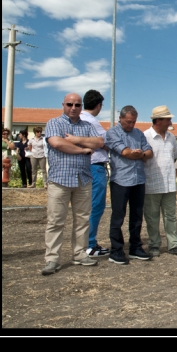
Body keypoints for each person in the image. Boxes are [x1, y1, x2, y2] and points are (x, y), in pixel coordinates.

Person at [41, 93, 105, 275]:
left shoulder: (87, 125)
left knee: (82, 219)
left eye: (77, 105)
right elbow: (57, 143)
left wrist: (76, 139)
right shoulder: (55, 123)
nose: (73, 108)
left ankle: (79, 254)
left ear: (81, 106)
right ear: (63, 105)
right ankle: (52, 258)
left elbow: (100, 142)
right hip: (60, 179)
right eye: (70, 104)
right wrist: (84, 149)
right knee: (55, 221)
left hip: (83, 179)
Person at [105, 105, 154, 265]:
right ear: (120, 119)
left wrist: (141, 154)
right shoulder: (113, 133)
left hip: (138, 179)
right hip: (120, 180)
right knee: (118, 216)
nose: (131, 125)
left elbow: (149, 152)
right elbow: (125, 152)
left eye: (133, 122)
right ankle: (116, 250)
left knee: (137, 216)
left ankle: (135, 247)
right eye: (128, 122)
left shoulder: (139, 133)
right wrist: (140, 155)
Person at [143, 105, 177, 257]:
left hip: (169, 184)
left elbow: (175, 156)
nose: (170, 121)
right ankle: (154, 245)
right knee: (152, 216)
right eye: (168, 119)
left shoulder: (171, 137)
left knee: (171, 216)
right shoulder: (145, 136)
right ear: (159, 120)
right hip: (151, 184)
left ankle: (173, 244)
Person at [79, 89, 111, 257]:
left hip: (82, 166)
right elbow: (104, 143)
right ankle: (90, 244)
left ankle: (83, 243)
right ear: (99, 105)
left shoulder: (78, 120)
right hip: (95, 166)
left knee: (84, 207)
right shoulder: (92, 122)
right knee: (96, 206)